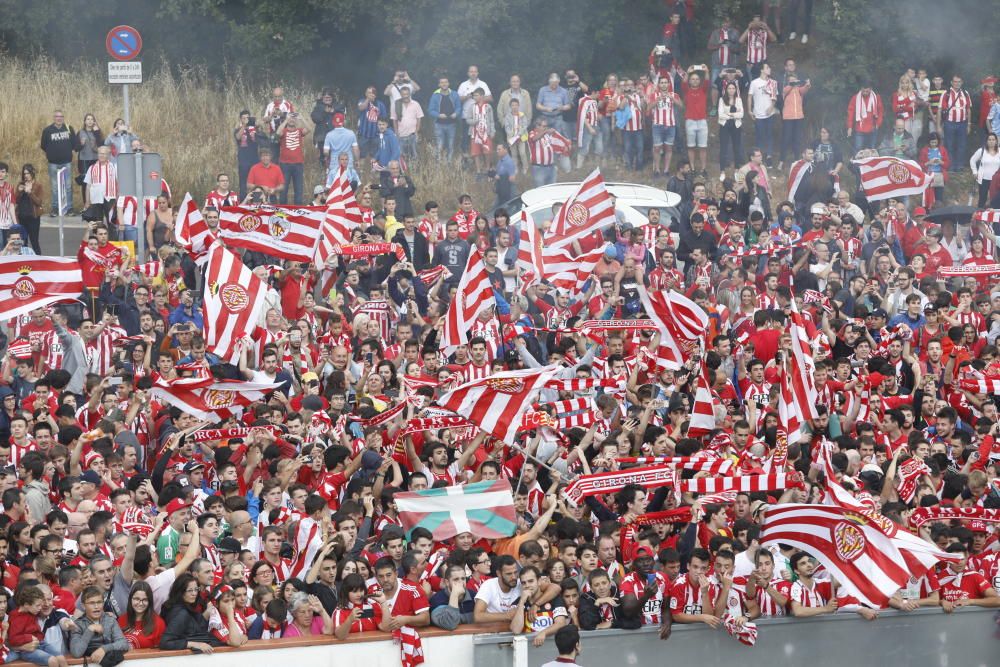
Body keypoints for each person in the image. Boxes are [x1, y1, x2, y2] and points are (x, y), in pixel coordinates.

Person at [68, 585, 129, 664]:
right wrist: (90, 630)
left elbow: (124, 644)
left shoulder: (110, 620)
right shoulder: (77, 625)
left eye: (99, 602)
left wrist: (104, 649)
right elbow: (76, 652)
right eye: (92, 603)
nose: (96, 607)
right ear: (83, 606)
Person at [39, 109, 76, 216]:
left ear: (63, 118)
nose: (59, 118)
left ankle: (69, 208)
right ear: (54, 118)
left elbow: (74, 143)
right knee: (55, 187)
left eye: (61, 116)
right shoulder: (47, 130)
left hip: (67, 162)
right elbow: (43, 145)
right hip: (53, 163)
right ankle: (55, 208)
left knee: (68, 186)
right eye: (57, 116)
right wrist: (52, 153)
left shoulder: (69, 128)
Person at [117, 581, 165, 649]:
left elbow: (160, 653)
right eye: (137, 599)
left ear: (150, 601)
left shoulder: (159, 623)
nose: (140, 603)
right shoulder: (121, 620)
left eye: (145, 600)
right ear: (130, 599)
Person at [938, 74, 973, 168]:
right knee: (949, 145)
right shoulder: (946, 93)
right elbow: (940, 109)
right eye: (955, 81)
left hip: (962, 123)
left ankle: (959, 165)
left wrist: (969, 124)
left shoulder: (965, 93)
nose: (957, 83)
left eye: (959, 82)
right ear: (951, 82)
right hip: (949, 123)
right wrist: (938, 126)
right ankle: (950, 165)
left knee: (962, 145)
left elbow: (968, 109)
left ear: (962, 82)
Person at [428, 78, 462, 160]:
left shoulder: (454, 94)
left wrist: (456, 113)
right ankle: (439, 163)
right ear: (439, 85)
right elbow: (430, 110)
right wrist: (438, 115)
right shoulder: (435, 95)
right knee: (440, 145)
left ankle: (449, 163)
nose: (444, 84)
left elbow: (459, 107)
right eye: (442, 82)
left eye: (446, 82)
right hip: (439, 124)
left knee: (450, 145)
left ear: (448, 83)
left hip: (452, 124)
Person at [718, 81, 744, 179]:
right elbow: (720, 114)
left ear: (735, 90)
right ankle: (722, 171)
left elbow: (742, 114)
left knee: (736, 148)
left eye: (733, 88)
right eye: (729, 88)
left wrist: (728, 113)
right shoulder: (721, 99)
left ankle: (737, 170)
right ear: (726, 90)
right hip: (724, 125)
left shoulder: (739, 100)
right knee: (724, 148)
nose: (731, 90)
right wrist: (734, 112)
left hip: (736, 125)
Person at [15, 164, 43, 253]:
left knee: (34, 242)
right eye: (24, 174)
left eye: (28, 173)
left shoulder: (38, 185)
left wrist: (30, 192)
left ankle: (40, 262)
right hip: (22, 217)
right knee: (22, 242)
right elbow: (16, 200)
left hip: (33, 218)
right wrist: (19, 192)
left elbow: (39, 202)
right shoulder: (20, 184)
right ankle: (24, 261)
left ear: (32, 173)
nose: (26, 176)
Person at [847, 84, 884, 152]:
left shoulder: (876, 97)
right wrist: (850, 127)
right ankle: (858, 163)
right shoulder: (855, 98)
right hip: (859, 129)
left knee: (872, 149)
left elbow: (880, 111)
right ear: (861, 89)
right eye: (863, 91)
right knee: (858, 149)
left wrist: (878, 123)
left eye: (867, 91)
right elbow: (850, 112)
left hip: (873, 128)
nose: (865, 93)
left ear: (870, 89)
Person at [969, 132, 1000, 206]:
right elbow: (972, 160)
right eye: (989, 140)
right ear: (986, 141)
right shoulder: (981, 151)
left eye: (993, 139)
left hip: (996, 180)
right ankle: (980, 214)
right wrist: (975, 172)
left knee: (995, 199)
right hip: (984, 179)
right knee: (982, 199)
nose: (991, 141)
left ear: (996, 141)